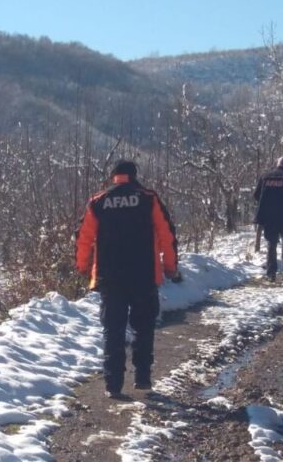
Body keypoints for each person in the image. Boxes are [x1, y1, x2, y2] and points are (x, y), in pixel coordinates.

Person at [75, 160, 181, 399]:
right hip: (143, 275)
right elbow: (167, 234)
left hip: (110, 277)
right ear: (134, 175)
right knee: (144, 327)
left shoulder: (98, 201)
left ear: (114, 177)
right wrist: (170, 267)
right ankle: (142, 376)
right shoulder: (148, 198)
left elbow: (84, 238)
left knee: (113, 330)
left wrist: (82, 266)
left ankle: (113, 384)